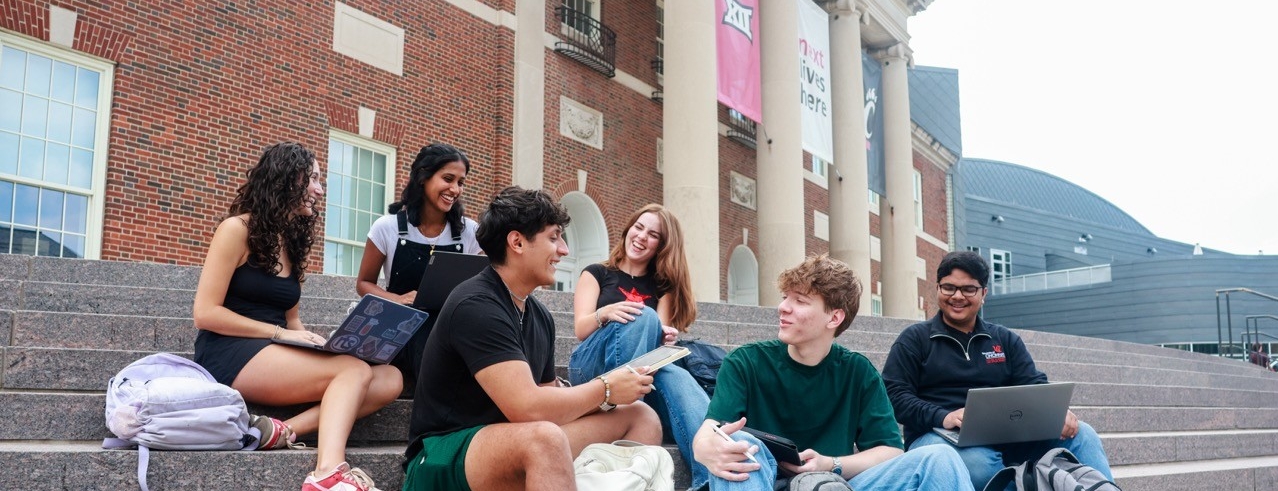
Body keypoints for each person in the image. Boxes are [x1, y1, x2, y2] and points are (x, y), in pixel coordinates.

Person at [403, 186, 663, 491]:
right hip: (443, 455)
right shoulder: (475, 304)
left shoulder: (539, 315)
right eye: (553, 238)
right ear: (517, 242)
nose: (564, 250)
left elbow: (546, 397)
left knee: (641, 415)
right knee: (545, 439)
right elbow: (527, 408)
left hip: (512, 439)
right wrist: (606, 388)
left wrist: (613, 395)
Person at [192, 142, 402, 491]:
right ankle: (326, 474)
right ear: (287, 179)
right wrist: (279, 334)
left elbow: (293, 323)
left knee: (390, 377)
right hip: (230, 350)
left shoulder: (290, 241)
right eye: (314, 180)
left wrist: (323, 345)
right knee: (353, 371)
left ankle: (284, 430)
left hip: (274, 349)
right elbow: (205, 313)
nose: (319, 190)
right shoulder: (236, 229)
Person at [692, 254, 973, 491]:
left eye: (800, 301)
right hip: (764, 481)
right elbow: (710, 431)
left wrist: (832, 464)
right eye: (785, 297)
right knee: (740, 443)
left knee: (939, 456)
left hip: (834, 484)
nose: (783, 307)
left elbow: (890, 450)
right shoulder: (747, 361)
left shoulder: (857, 371)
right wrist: (705, 447)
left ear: (834, 317)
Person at [881, 250, 1113, 491]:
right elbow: (895, 396)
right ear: (938, 288)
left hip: (1006, 436)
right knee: (980, 465)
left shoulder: (1004, 339)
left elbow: (1032, 383)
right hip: (938, 437)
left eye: (968, 289)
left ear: (984, 294)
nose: (957, 296)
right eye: (948, 287)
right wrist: (943, 416)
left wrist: (1055, 411)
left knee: (1083, 434)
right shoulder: (914, 339)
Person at [567, 203, 710, 489]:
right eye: (639, 227)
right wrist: (605, 313)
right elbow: (581, 328)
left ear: (662, 246)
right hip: (591, 370)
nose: (642, 237)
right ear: (628, 229)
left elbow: (656, 347)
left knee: (675, 373)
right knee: (642, 314)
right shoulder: (596, 273)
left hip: (643, 376)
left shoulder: (662, 288)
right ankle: (622, 414)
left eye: (653, 234)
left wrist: (665, 336)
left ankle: (708, 476)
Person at [355, 143, 480, 387]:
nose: (455, 189)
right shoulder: (387, 227)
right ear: (423, 177)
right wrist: (396, 299)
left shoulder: (470, 232)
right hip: (402, 324)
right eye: (448, 179)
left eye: (460, 182)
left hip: (448, 326)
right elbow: (364, 283)